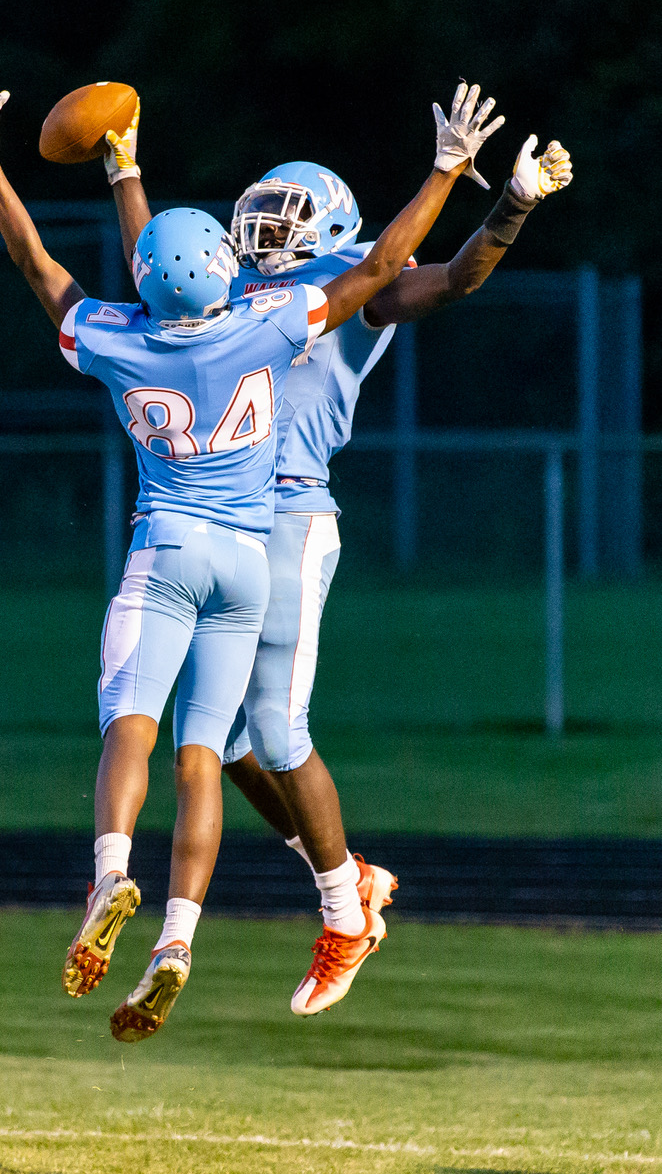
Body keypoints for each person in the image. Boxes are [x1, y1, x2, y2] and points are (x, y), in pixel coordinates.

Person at [0, 78, 492, 1040]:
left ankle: (116, 874)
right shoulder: (260, 330)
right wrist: (445, 173)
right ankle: (180, 939)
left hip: (180, 548)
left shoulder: (119, 337)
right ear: (225, 273)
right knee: (208, 756)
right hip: (244, 562)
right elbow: (379, 264)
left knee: (135, 728)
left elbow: (38, 265)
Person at [100, 87, 572, 1017]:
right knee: (225, 742)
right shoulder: (230, 287)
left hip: (287, 516)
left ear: (338, 229)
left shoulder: (354, 277)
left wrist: (509, 203)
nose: (265, 238)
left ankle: (345, 908)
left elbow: (453, 277)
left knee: (275, 732)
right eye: (259, 220)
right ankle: (350, 875)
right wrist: (126, 170)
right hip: (217, 524)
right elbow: (151, 261)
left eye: (286, 222)